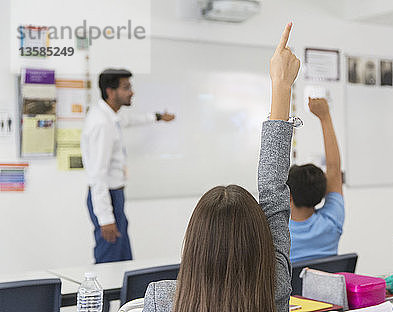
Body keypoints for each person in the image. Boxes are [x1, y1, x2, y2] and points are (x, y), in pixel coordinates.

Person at [141, 22, 300, 312]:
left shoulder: (163, 299)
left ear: (195, 244)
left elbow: (273, 193)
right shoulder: (273, 285)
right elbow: (273, 191)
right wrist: (282, 86)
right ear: (258, 239)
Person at [81, 68, 175, 263]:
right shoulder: (102, 124)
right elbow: (97, 175)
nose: (131, 92)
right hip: (107, 197)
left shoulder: (110, 116)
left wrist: (157, 117)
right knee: (110, 259)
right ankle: (105, 294)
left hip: (114, 196)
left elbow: (131, 120)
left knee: (123, 259)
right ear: (110, 91)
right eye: (126, 88)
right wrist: (106, 219)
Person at [287, 97, 343, 263]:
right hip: (327, 290)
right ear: (323, 192)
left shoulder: (278, 233)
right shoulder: (332, 223)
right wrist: (325, 117)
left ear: (288, 195)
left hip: (292, 291)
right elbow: (334, 170)